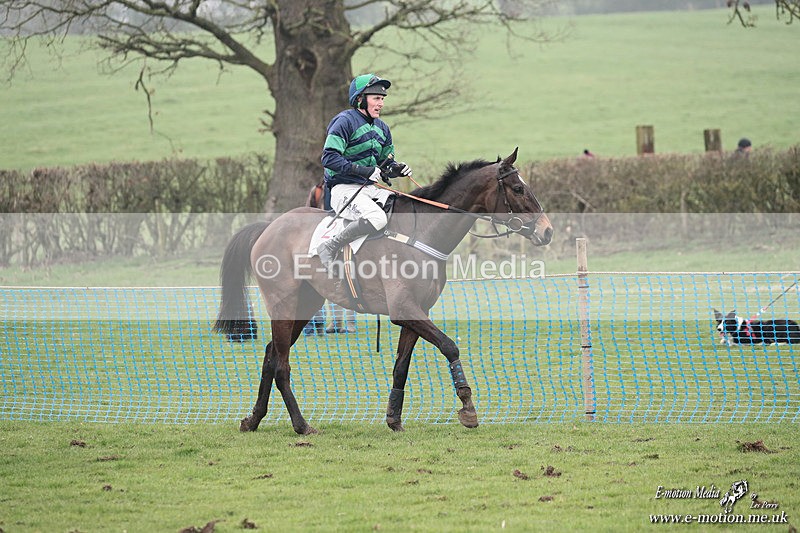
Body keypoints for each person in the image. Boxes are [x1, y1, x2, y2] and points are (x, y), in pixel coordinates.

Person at [317, 73, 412, 271]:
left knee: (404, 208)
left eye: (382, 99)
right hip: (343, 189)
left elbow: (385, 164)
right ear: (360, 99)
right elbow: (329, 158)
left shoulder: (383, 128)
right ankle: (330, 246)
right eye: (376, 98)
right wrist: (362, 170)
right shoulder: (344, 122)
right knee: (378, 218)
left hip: (370, 189)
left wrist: (396, 169)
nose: (381, 103)